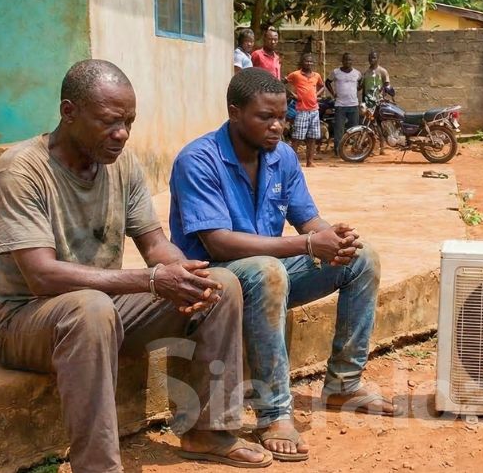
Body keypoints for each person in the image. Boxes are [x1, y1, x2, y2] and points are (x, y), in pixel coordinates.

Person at [0, 60, 271, 471]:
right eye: (109, 122)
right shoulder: (21, 171)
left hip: (101, 309)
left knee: (219, 285)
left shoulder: (122, 164)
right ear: (69, 112)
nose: (121, 134)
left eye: (129, 122)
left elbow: (154, 244)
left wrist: (185, 276)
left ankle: (208, 431)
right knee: (90, 308)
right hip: (23, 319)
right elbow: (41, 275)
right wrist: (151, 280)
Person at [168, 69, 393, 463]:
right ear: (234, 112)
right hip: (217, 282)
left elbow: (308, 220)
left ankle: (343, 383)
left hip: (268, 274)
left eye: (282, 117)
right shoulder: (198, 160)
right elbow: (218, 242)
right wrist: (308, 244)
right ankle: (273, 414)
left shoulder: (282, 157)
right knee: (267, 270)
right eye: (265, 117)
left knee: (363, 258)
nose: (277, 126)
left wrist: (333, 239)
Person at [286, 54, 324, 167]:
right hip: (301, 110)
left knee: (312, 137)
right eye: (306, 61)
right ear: (302, 62)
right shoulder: (296, 74)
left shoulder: (316, 75)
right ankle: (291, 163)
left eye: (311, 62)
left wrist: (316, 95)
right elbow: (283, 82)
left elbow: (322, 86)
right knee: (297, 138)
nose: (309, 63)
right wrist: (292, 94)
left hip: (314, 110)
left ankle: (310, 161)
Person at [328, 52, 363, 154]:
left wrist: (357, 89)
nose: (348, 62)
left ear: (352, 61)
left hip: (353, 104)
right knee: (339, 129)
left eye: (350, 60)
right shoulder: (336, 72)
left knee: (355, 129)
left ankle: (355, 149)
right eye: (346, 59)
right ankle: (338, 150)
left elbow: (361, 82)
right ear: (342, 61)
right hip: (340, 105)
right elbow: (327, 82)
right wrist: (333, 93)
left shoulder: (357, 73)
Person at [361, 51, 392, 154]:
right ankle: (369, 148)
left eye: (374, 58)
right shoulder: (366, 73)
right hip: (368, 103)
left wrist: (383, 97)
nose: (371, 60)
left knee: (379, 125)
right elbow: (363, 88)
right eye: (370, 58)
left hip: (379, 103)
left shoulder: (382, 71)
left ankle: (382, 147)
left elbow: (387, 86)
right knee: (368, 125)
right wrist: (363, 101)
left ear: (378, 58)